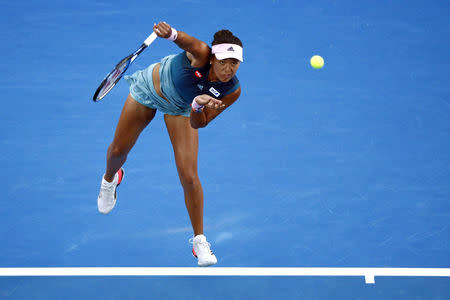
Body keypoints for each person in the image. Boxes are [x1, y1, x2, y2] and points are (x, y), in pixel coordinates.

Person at [96, 21, 243, 267]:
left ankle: (199, 241)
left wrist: (197, 104)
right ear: (213, 58)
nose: (228, 69)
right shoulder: (202, 54)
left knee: (189, 176)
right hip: (149, 91)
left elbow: (200, 123)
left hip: (182, 109)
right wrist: (172, 34)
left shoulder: (231, 90)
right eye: (223, 62)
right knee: (118, 151)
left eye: (234, 63)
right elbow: (188, 41)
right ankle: (110, 179)